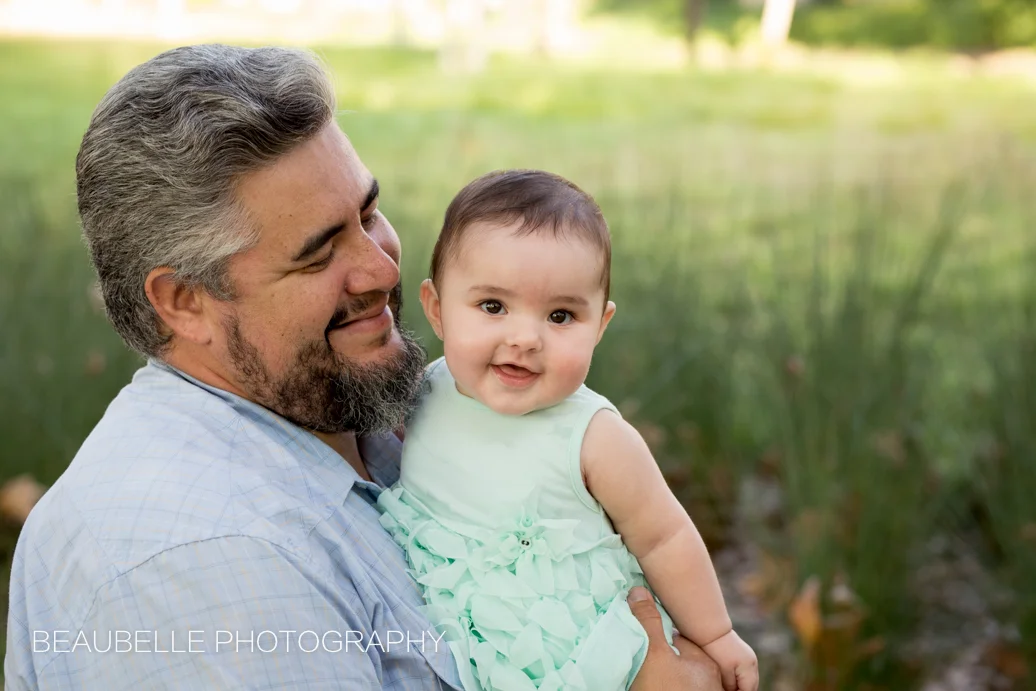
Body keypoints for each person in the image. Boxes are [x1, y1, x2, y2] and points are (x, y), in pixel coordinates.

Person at [3, 45, 725, 691]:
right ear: (185, 301)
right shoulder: (206, 567)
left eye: (369, 213)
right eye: (319, 253)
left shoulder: (352, 405)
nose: (381, 268)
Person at [376, 171, 759, 691]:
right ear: (438, 310)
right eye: (493, 307)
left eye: (560, 316)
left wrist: (716, 636)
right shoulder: (425, 390)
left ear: (600, 326)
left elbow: (665, 536)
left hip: (587, 659)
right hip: (465, 643)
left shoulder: (595, 436)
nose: (525, 338)